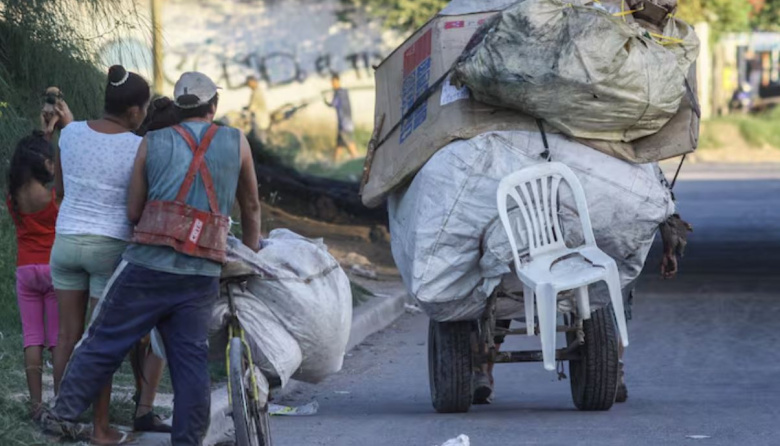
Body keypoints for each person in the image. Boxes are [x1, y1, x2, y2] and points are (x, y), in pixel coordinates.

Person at [41, 71, 262, 446]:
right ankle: (187, 440)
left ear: (177, 106)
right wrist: (252, 255)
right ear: (214, 106)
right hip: (201, 270)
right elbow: (252, 206)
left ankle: (62, 414)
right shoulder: (236, 142)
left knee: (106, 336)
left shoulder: (153, 142)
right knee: (190, 360)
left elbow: (132, 212)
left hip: (147, 266)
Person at [48, 64, 163, 445]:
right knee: (101, 340)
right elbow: (138, 203)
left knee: (67, 335)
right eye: (144, 109)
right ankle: (100, 429)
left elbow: (61, 190)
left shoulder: (71, 132)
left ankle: (64, 419)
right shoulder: (137, 145)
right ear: (134, 112)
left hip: (65, 241)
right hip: (108, 246)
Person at [6, 132, 59, 419]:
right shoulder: (52, 198)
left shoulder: (14, 196)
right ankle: (62, 402)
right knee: (57, 340)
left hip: (25, 270)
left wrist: (44, 132)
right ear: (43, 164)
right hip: (53, 268)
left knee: (33, 338)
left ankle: (36, 406)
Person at [323, 73, 358, 161]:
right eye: (332, 83)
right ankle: (335, 163)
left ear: (338, 81)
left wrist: (325, 100)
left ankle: (357, 159)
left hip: (344, 124)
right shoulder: (342, 92)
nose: (333, 84)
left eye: (334, 82)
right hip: (343, 124)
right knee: (339, 147)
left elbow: (334, 104)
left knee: (350, 143)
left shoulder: (339, 93)